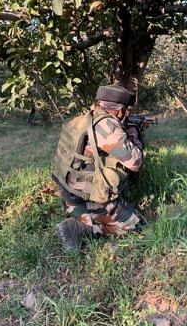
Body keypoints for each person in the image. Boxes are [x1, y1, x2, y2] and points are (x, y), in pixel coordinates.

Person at [51, 84, 146, 252]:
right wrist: (135, 134)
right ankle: (80, 228)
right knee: (136, 225)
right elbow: (135, 162)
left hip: (68, 193)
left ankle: (84, 216)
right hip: (85, 197)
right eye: (126, 111)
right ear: (121, 111)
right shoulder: (107, 126)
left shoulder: (85, 118)